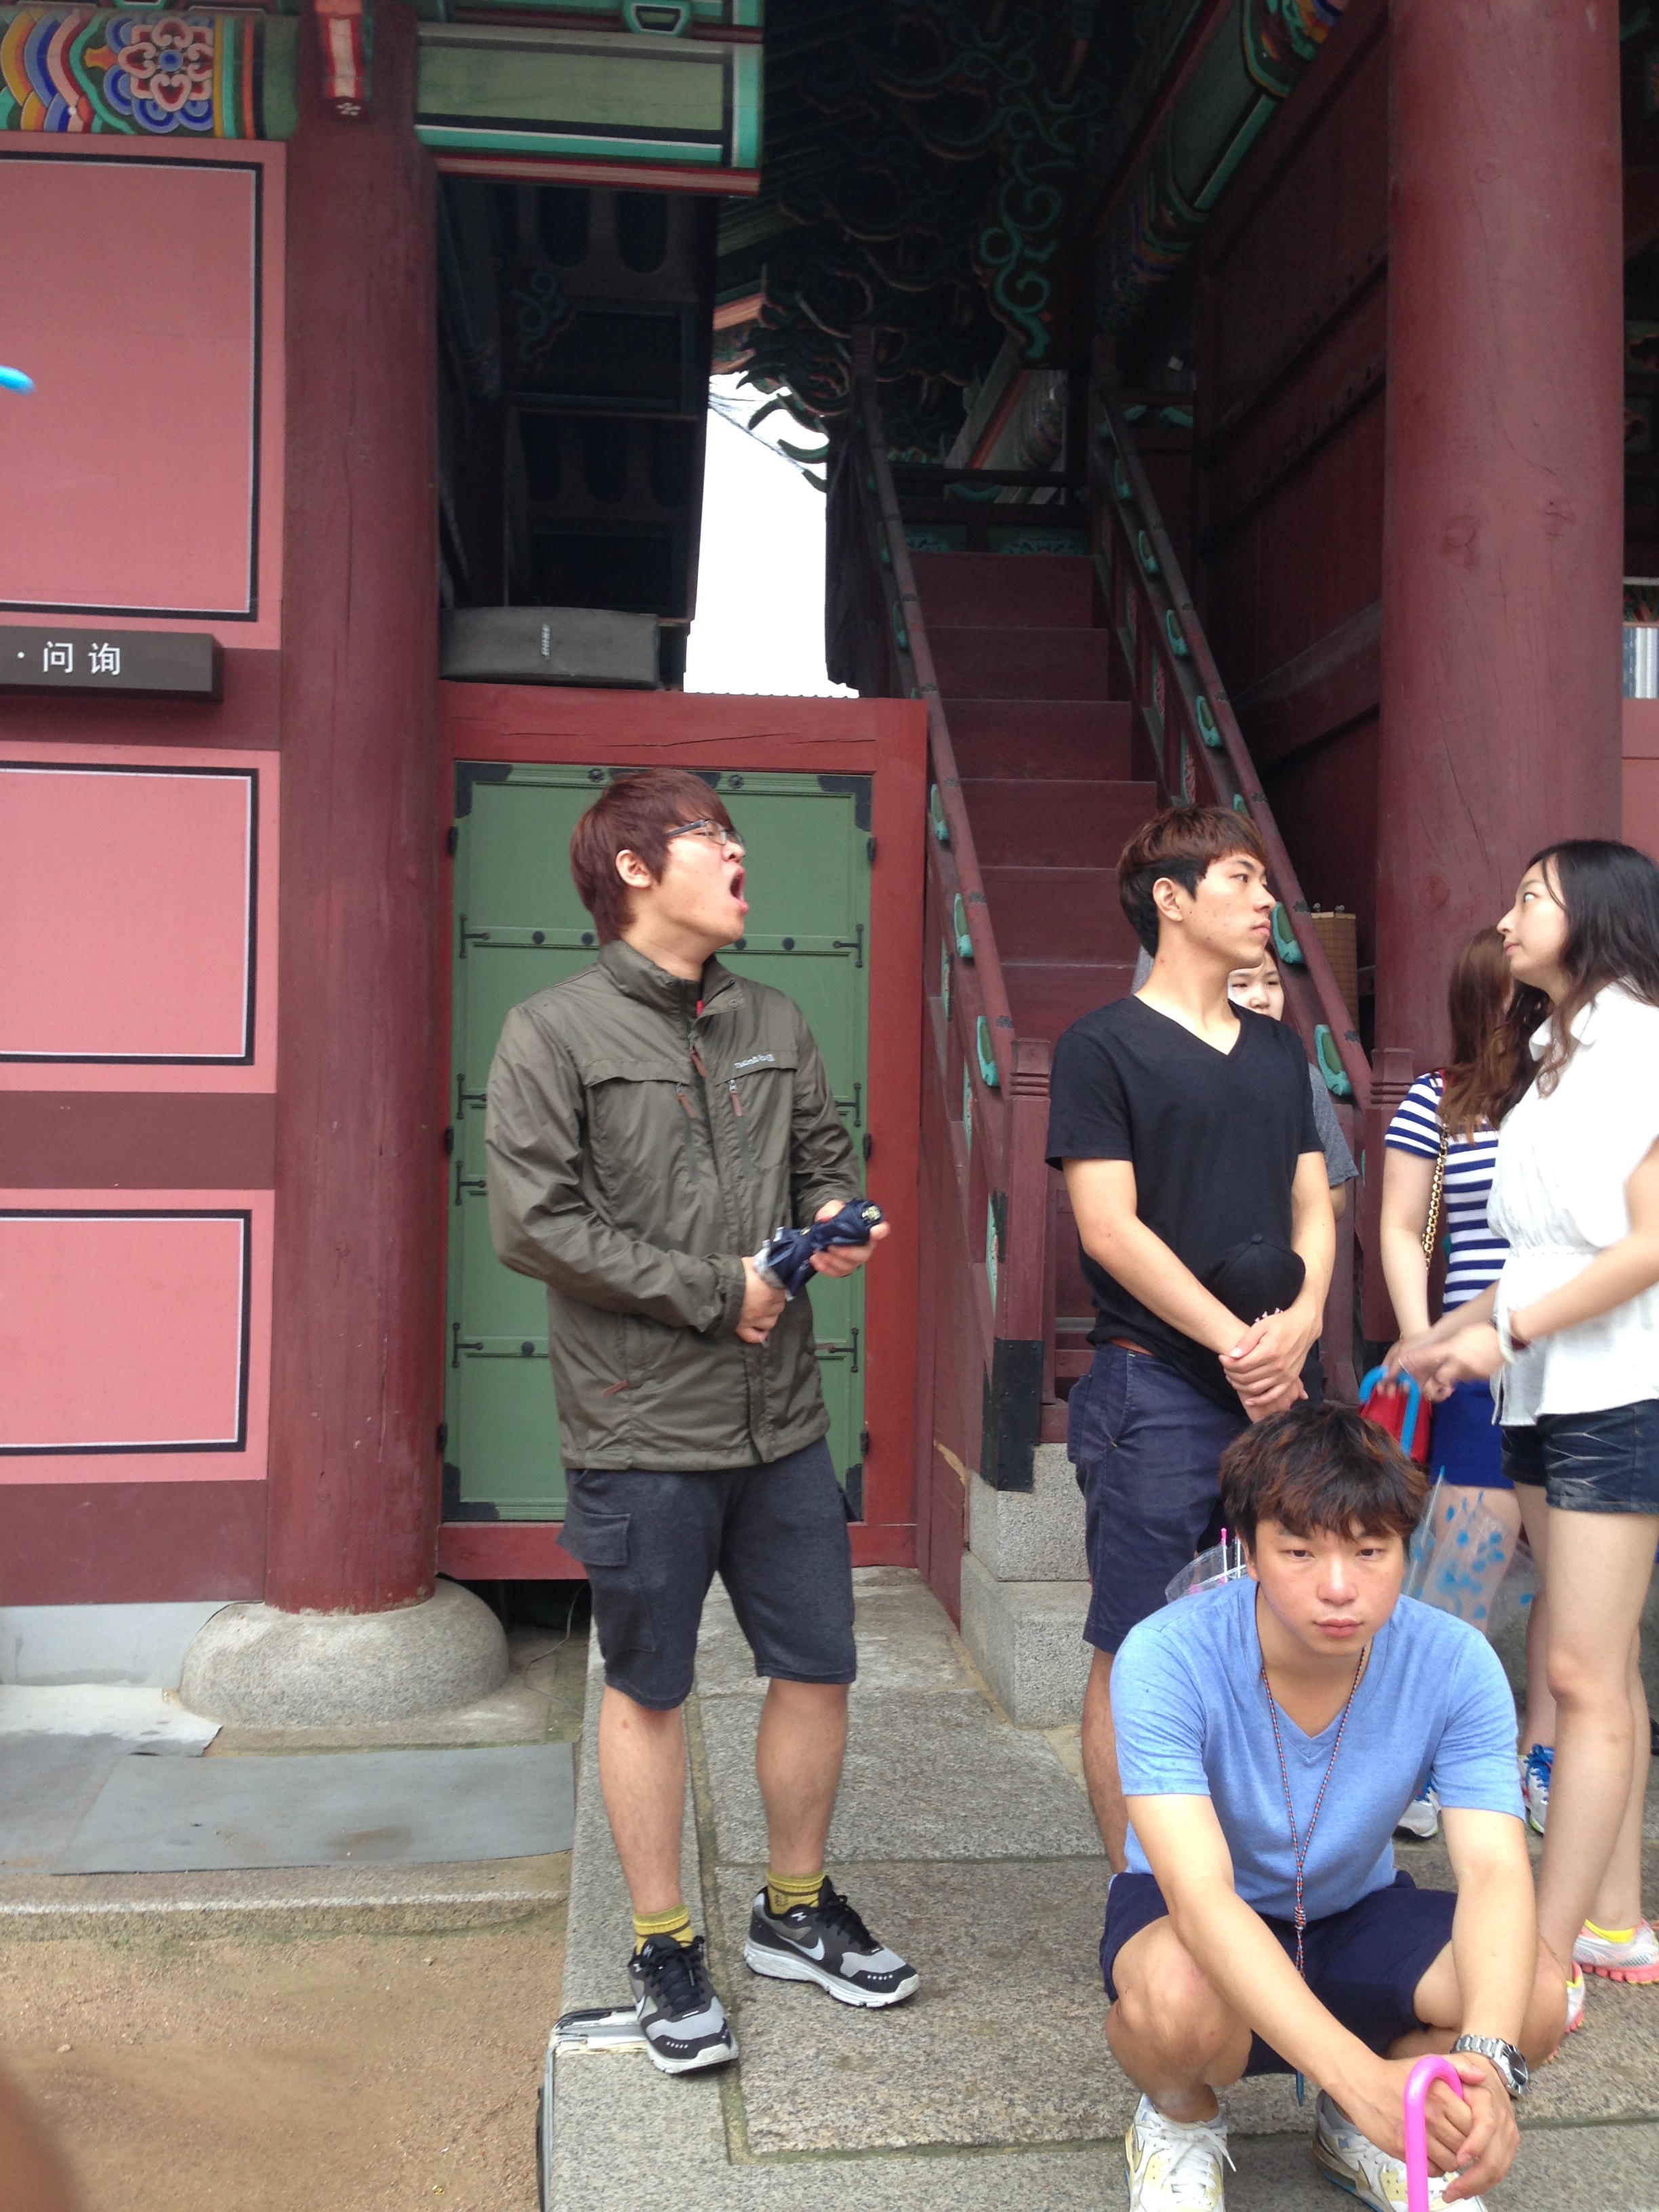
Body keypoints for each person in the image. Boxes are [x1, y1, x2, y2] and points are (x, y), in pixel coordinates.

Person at [485, 767, 916, 2076]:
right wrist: (714, 1288)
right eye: (711, 837)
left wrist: (836, 1222)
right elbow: (535, 1224)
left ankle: (794, 1906)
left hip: (780, 1419)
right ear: (633, 867)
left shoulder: (771, 1015)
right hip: (637, 1424)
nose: (739, 856)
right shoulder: (550, 1031)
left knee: (818, 1660)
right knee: (650, 1681)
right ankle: (664, 1939)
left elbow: (825, 1159)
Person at [1105, 1403, 1565, 2212]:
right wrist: (1357, 2075)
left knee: (1535, 1993)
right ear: (1249, 1552)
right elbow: (1200, 1894)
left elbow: (1495, 1869)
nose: (1340, 1587)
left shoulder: (1455, 1661)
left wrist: (1488, 2065)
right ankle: (1180, 2119)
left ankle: (1373, 2129)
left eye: (1370, 1550)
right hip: (1199, 1919)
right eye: (1299, 1552)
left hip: (1354, 1909)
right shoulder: (1167, 1654)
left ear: (1405, 1548)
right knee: (1172, 1999)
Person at [1397, 842, 1659, 2030]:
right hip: (1548, 1386)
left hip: (1617, 1385)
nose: (1505, 919)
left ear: (1596, 917)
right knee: (1598, 1666)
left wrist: (1501, 1334)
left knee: (1577, 1672)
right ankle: (1613, 1918)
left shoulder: (1639, 1044)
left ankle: (1546, 1953)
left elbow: (1646, 1247)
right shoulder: (1555, 1052)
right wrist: (1449, 1331)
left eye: (1531, 899)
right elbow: (1543, 1250)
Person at [1049, 804, 1335, 1867]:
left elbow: (1315, 1205)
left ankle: (1259, 1882)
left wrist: (1302, 1324)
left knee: (1289, 1631)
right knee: (1138, 1646)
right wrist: (1240, 1347)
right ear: (1170, 898)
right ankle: (1140, 1899)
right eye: (1241, 878)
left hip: (1283, 1381)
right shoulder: (1100, 1046)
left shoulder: (1279, 1049)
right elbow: (1109, 1228)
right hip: (1157, 1387)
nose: (1266, 900)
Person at [1380, 929, 1555, 1841]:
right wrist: (1423, 1338)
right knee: (1460, 1570)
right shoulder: (1437, 1100)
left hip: (1573, 1357)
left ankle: (1543, 1756)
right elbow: (1403, 1223)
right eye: (1512, 992)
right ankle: (1432, 1757)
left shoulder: (1575, 1096)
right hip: (1469, 1368)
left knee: (1570, 1581)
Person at [1224, 952, 1357, 1226]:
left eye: (1272, 983)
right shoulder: (1181, 1071)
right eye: (1241, 984)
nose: (1262, 999)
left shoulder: (1303, 1078)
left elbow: (1335, 1199)